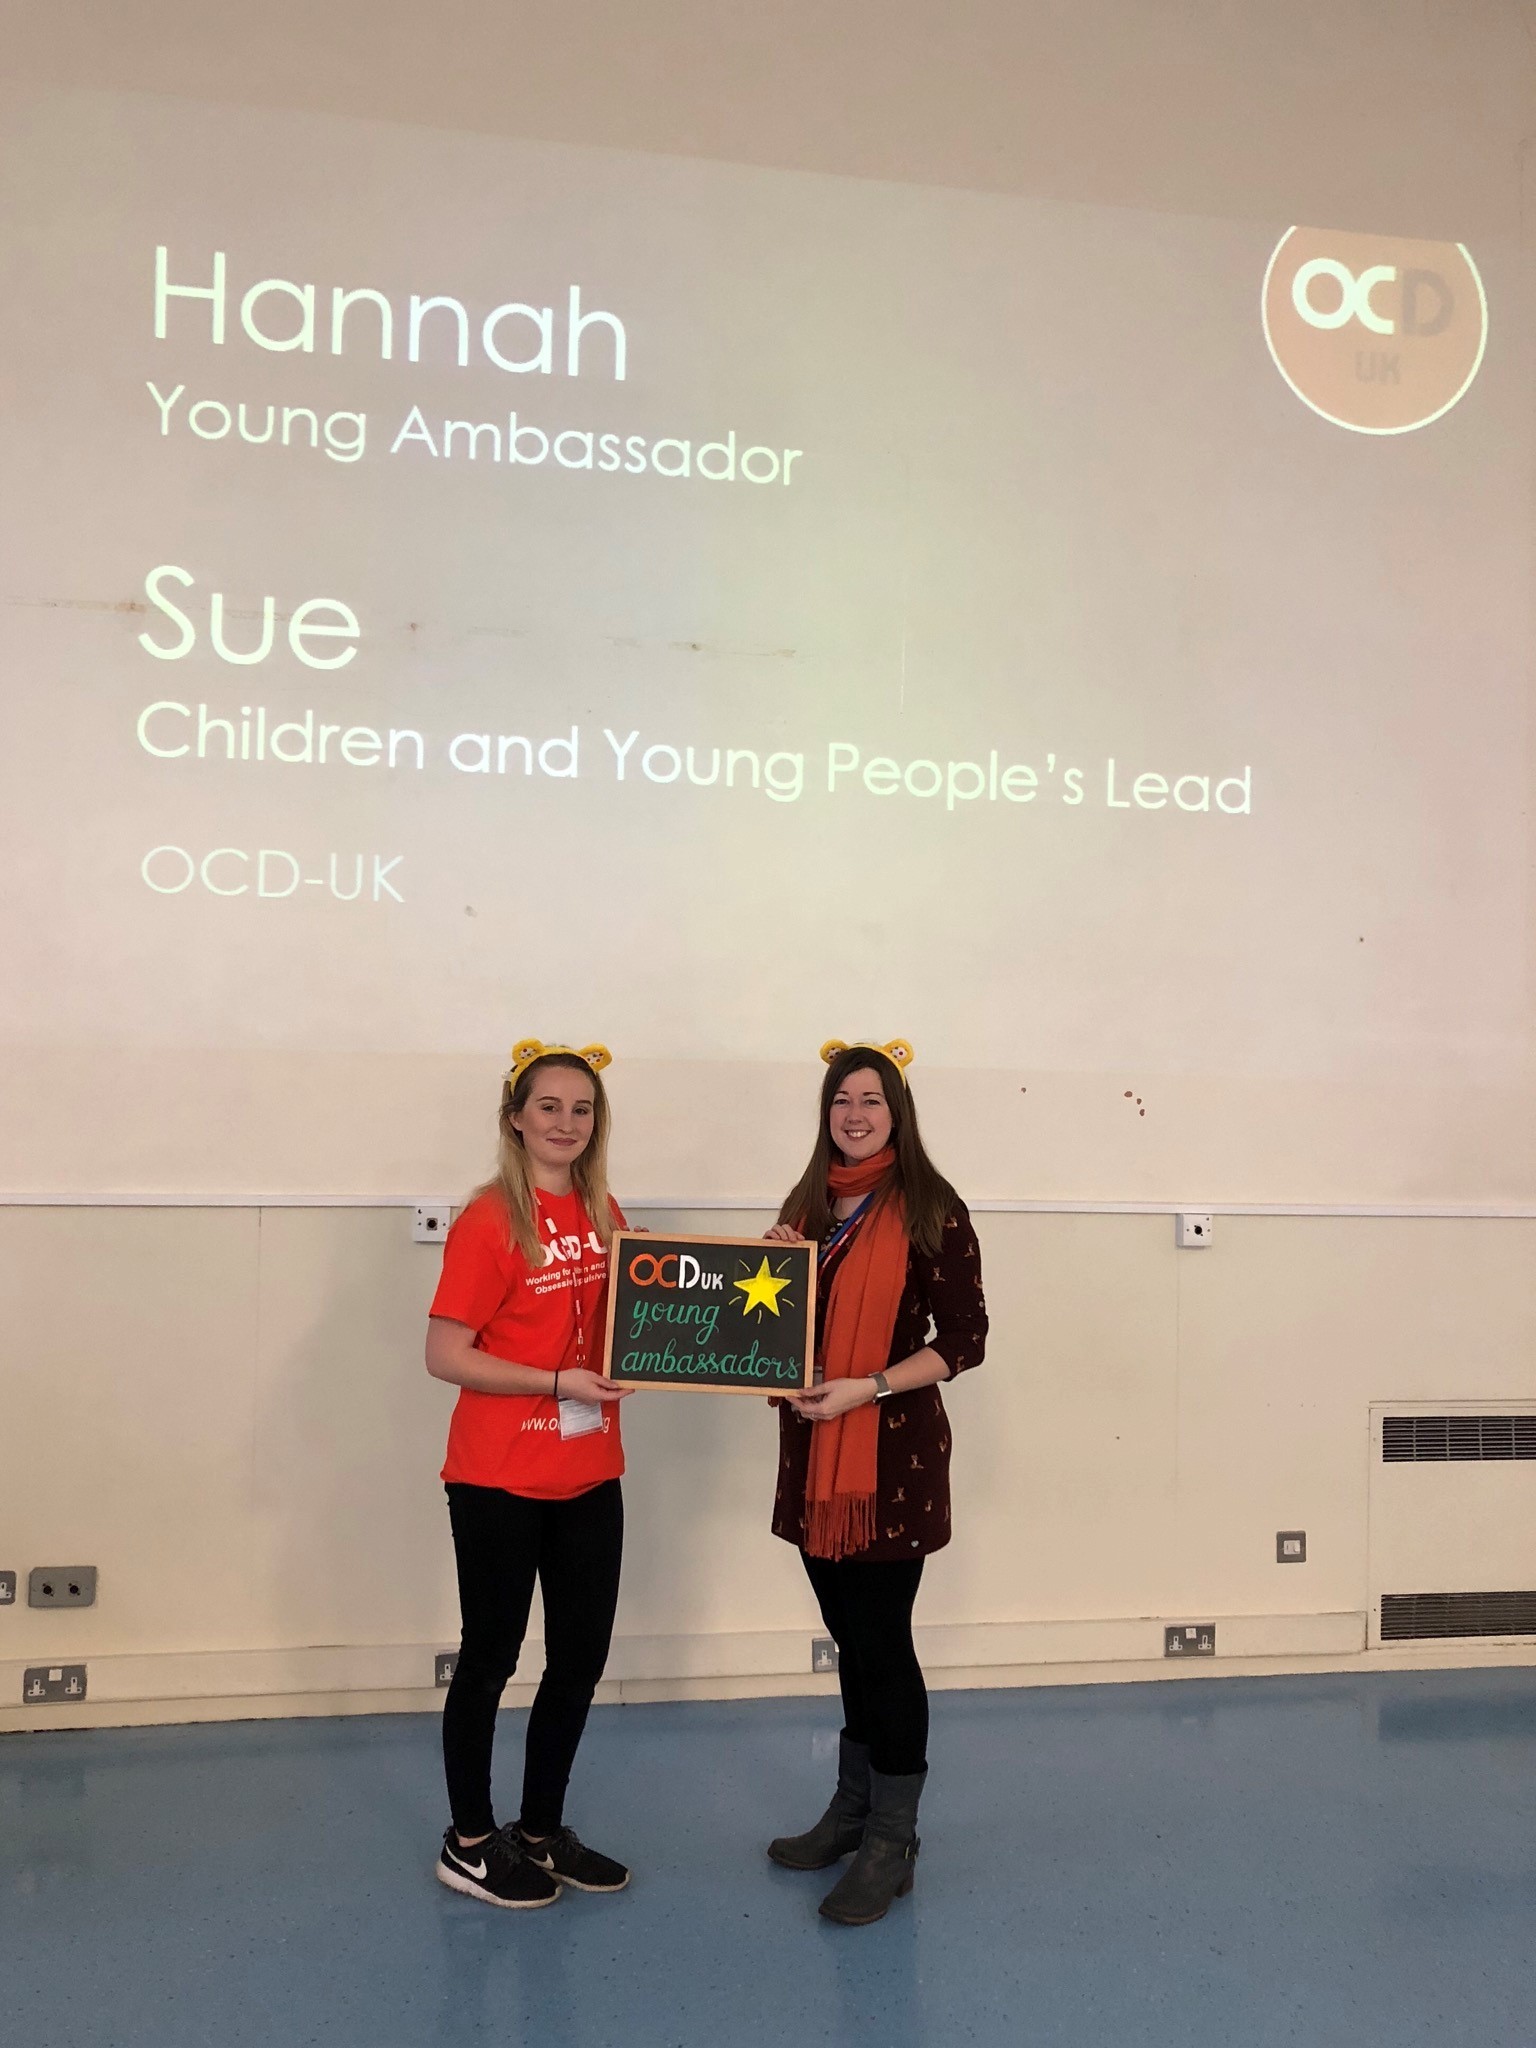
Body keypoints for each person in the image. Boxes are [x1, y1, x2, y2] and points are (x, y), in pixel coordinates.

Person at [764, 1038, 988, 1925]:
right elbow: (781, 1332)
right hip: (815, 1454)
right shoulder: (808, 1207)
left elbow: (964, 1339)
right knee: (848, 1639)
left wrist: (871, 1385)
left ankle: (893, 1843)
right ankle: (852, 1813)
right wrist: (769, 1278)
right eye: (841, 1100)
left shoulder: (933, 1207)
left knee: (882, 1643)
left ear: (897, 1112)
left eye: (871, 1100)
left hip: (890, 1461)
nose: (854, 1115)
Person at [425, 1039, 633, 1910]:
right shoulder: (489, 1219)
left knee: (580, 1659)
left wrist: (770, 1267)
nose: (565, 1122)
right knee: (489, 1658)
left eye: (582, 1109)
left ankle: (540, 1830)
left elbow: (646, 1314)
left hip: (589, 1472)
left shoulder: (603, 1209)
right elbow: (445, 1354)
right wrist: (555, 1382)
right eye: (548, 1106)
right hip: (498, 1477)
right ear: (516, 1118)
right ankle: (470, 1841)